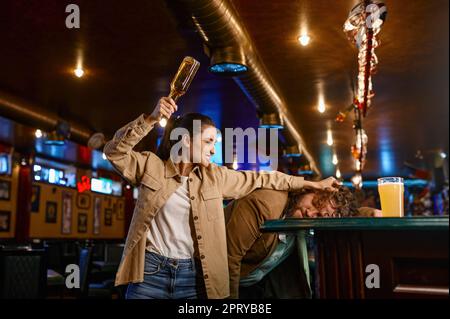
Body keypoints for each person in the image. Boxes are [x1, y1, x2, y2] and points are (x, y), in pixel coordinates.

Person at [103, 96, 338, 299]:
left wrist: (312, 184)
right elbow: (114, 151)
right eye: (208, 142)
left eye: (214, 143)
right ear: (186, 140)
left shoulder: (216, 177)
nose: (214, 150)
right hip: (149, 273)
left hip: (192, 276)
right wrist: (151, 119)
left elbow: (264, 179)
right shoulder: (151, 166)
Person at [225, 187, 381, 299]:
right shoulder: (263, 205)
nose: (311, 213)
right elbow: (226, 263)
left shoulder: (300, 222)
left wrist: (369, 213)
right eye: (316, 202)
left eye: (320, 215)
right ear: (309, 189)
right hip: (220, 286)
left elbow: (340, 218)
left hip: (255, 287)